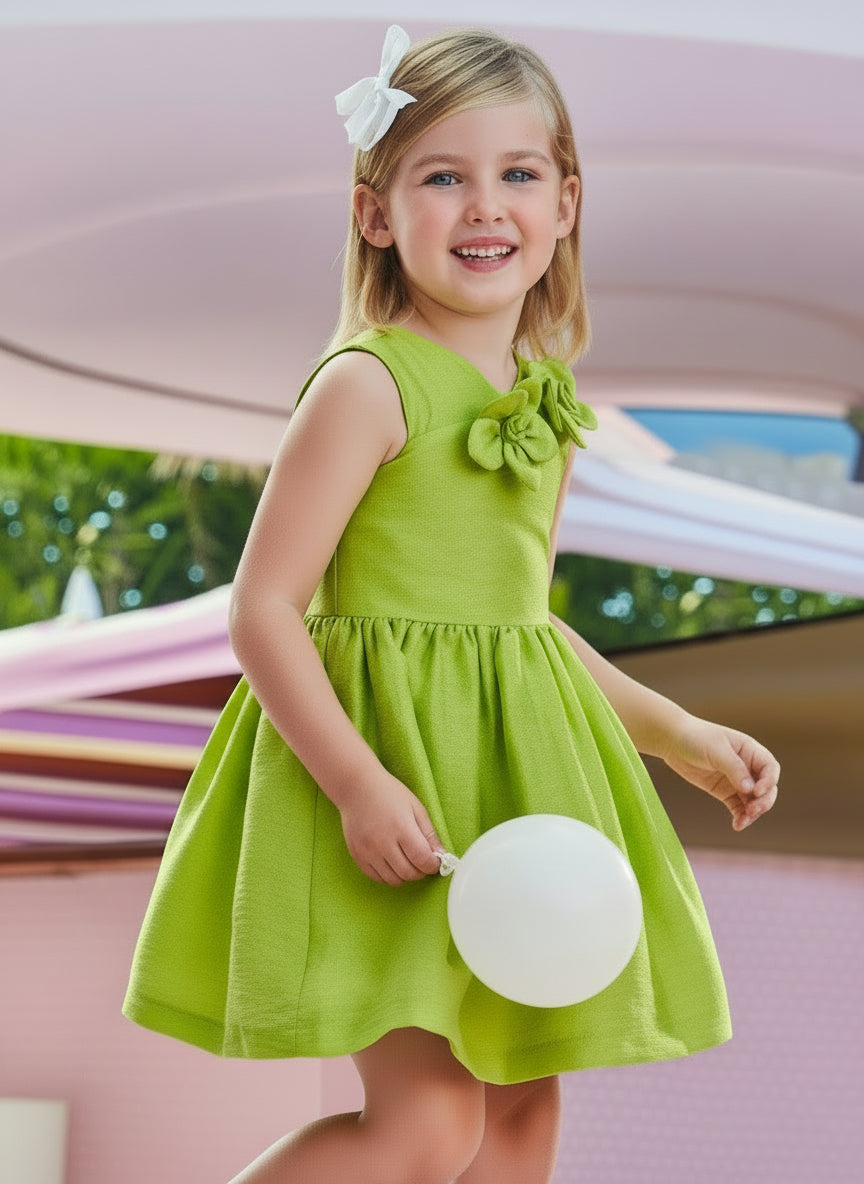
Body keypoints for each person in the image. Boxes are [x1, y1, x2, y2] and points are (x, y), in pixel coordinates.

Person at [123, 25, 779, 1184]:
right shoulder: (369, 383)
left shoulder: (543, 403)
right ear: (376, 213)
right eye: (442, 177)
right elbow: (263, 608)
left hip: (511, 802)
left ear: (566, 202)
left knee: (520, 1124)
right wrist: (356, 783)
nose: (485, 206)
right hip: (389, 784)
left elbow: (524, 626)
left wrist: (675, 730)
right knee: (426, 1126)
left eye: (518, 173)